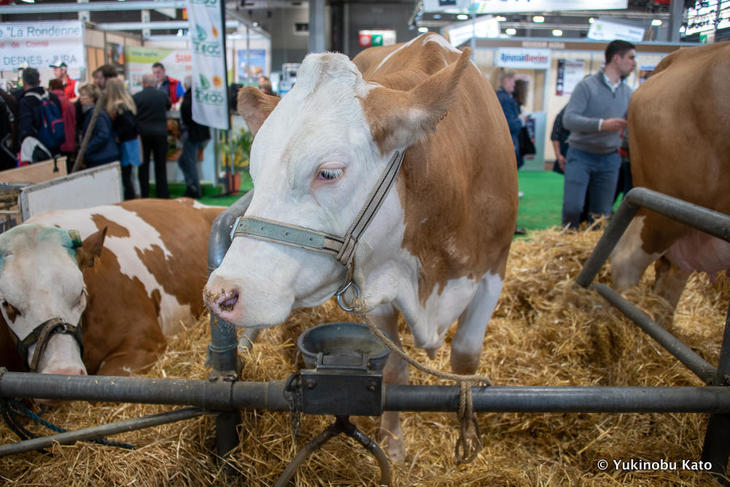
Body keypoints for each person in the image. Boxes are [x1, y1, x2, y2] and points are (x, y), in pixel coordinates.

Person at [561, 39, 636, 230]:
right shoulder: (586, 86)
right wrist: (602, 125)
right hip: (580, 155)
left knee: (601, 213)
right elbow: (568, 120)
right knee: (573, 208)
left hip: (610, 159)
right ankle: (564, 250)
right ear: (616, 58)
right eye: (631, 57)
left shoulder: (628, 93)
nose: (634, 63)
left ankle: (592, 256)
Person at [133, 73, 171, 198]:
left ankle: (145, 194)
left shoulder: (136, 97)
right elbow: (169, 106)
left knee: (143, 167)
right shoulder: (162, 95)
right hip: (160, 134)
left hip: (143, 136)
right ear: (154, 83)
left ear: (143, 83)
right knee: (160, 166)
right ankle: (163, 194)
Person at [105, 78, 139, 200]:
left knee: (126, 176)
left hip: (126, 145)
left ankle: (129, 199)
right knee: (129, 175)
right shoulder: (128, 103)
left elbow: (128, 125)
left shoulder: (119, 106)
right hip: (131, 143)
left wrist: (117, 136)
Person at [17, 67, 63, 156]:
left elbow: (26, 129)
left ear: (24, 82)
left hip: (38, 149)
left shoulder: (25, 102)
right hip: (56, 144)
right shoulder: (52, 97)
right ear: (39, 81)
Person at [178, 76, 210, 199]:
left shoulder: (188, 98)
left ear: (186, 85)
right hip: (200, 134)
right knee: (185, 161)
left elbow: (186, 117)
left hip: (192, 135)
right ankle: (192, 186)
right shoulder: (200, 96)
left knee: (189, 162)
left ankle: (194, 188)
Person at [77, 83, 119, 167]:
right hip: (103, 155)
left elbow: (103, 134)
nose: (80, 98)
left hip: (102, 157)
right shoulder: (93, 112)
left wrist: (86, 148)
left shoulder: (96, 114)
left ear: (92, 97)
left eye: (83, 95)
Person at [493, 69, 523, 169]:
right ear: (506, 80)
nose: (514, 85)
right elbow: (509, 125)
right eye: (513, 81)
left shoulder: (497, 96)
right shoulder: (505, 99)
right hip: (508, 144)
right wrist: (521, 120)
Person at [48, 78, 77, 171]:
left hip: (57, 141)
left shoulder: (49, 102)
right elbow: (74, 120)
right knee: (69, 165)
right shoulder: (69, 102)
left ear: (51, 87)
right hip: (69, 140)